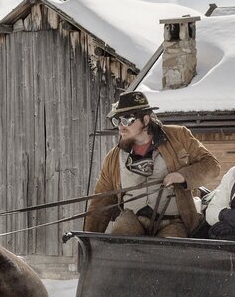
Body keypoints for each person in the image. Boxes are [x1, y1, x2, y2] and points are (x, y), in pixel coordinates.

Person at [84, 91, 223, 238]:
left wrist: (181, 176)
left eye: (126, 120)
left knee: (171, 247)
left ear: (145, 120)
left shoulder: (178, 137)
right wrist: (87, 241)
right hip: (132, 219)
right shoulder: (113, 157)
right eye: (117, 121)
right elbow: (100, 203)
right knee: (121, 239)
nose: (121, 127)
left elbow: (212, 166)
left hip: (173, 221)